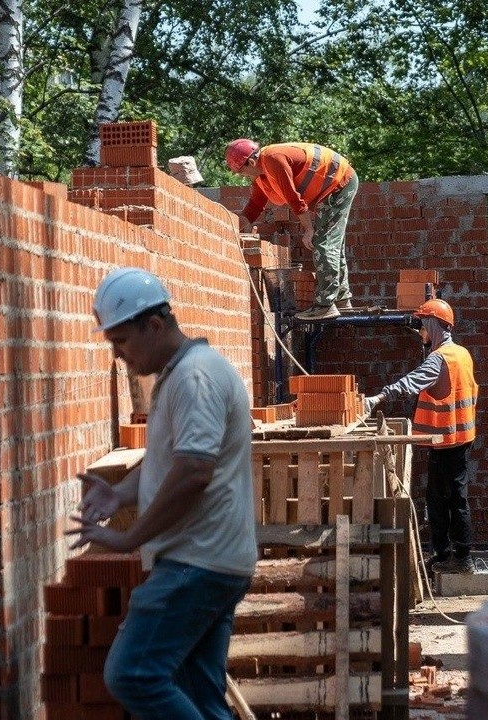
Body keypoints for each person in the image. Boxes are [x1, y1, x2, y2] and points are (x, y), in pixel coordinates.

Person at [67, 267, 258, 720]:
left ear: (154, 325)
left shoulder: (194, 378)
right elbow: (171, 465)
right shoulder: (181, 375)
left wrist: (131, 539)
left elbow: (194, 472)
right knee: (200, 697)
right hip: (208, 561)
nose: (118, 355)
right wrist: (120, 496)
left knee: (133, 673)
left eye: (122, 341)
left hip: (196, 562)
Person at [362, 299, 478, 574]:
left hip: (447, 441)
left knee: (442, 499)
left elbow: (412, 381)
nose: (420, 333)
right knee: (453, 498)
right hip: (462, 437)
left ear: (433, 326)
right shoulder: (462, 354)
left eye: (422, 326)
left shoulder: (439, 359)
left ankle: (456, 556)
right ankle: (450, 555)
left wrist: (378, 397)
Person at [225, 138, 359, 321]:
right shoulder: (261, 178)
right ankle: (342, 301)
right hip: (329, 190)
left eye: (242, 171)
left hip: (339, 183)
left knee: (324, 244)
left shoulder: (273, 159)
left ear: (251, 161)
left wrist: (309, 229)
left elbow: (293, 198)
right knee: (331, 244)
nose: (244, 176)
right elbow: (254, 207)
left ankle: (325, 305)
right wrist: (231, 228)